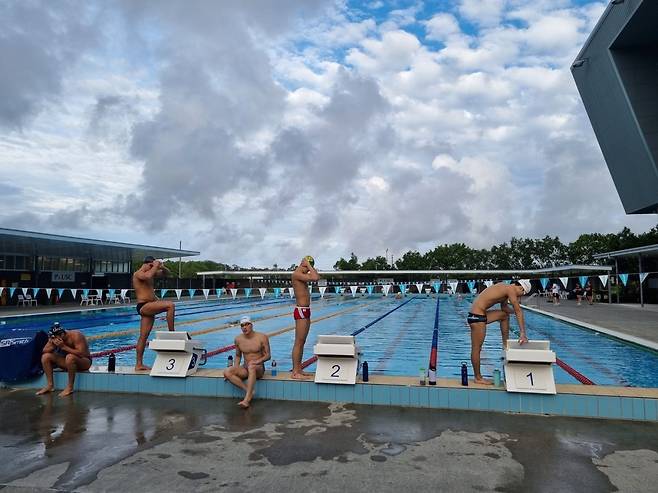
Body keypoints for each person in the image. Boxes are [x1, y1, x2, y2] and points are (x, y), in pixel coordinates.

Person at [467, 280, 530, 384]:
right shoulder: (510, 289)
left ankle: (505, 344)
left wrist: (514, 312)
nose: (520, 297)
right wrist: (523, 333)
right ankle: (478, 377)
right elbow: (518, 310)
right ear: (521, 288)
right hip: (476, 317)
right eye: (522, 294)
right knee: (476, 348)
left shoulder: (505, 289)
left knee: (504, 316)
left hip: (478, 314)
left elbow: (504, 308)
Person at [132, 256, 175, 371]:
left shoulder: (151, 272)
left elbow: (167, 273)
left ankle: (139, 364)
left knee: (143, 337)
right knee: (170, 305)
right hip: (144, 306)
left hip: (150, 306)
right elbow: (148, 276)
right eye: (151, 266)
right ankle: (172, 334)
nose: (154, 268)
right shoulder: (139, 274)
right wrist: (155, 266)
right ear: (147, 264)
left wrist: (162, 266)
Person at [224, 316, 271, 408]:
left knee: (252, 366)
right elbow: (238, 356)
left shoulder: (262, 337)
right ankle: (249, 391)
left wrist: (257, 361)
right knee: (227, 372)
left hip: (258, 368)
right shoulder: (238, 339)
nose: (244, 327)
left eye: (246, 325)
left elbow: (268, 356)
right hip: (246, 368)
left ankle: (247, 400)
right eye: (242, 325)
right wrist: (234, 369)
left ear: (251, 325)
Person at [36, 322, 91, 397]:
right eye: (53, 338)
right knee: (45, 357)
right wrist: (53, 345)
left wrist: (64, 347)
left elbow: (82, 354)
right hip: (67, 363)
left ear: (62, 335)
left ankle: (70, 387)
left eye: (55, 338)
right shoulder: (54, 338)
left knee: (70, 357)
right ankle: (50, 385)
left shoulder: (76, 335)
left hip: (84, 362)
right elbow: (44, 351)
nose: (54, 339)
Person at [291, 256, 320, 379]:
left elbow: (314, 276)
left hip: (305, 310)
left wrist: (309, 266)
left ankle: (299, 369)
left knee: (302, 342)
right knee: (298, 342)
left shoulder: (301, 274)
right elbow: (315, 277)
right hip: (301, 311)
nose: (308, 271)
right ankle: (295, 372)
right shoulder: (297, 274)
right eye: (307, 268)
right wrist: (309, 265)